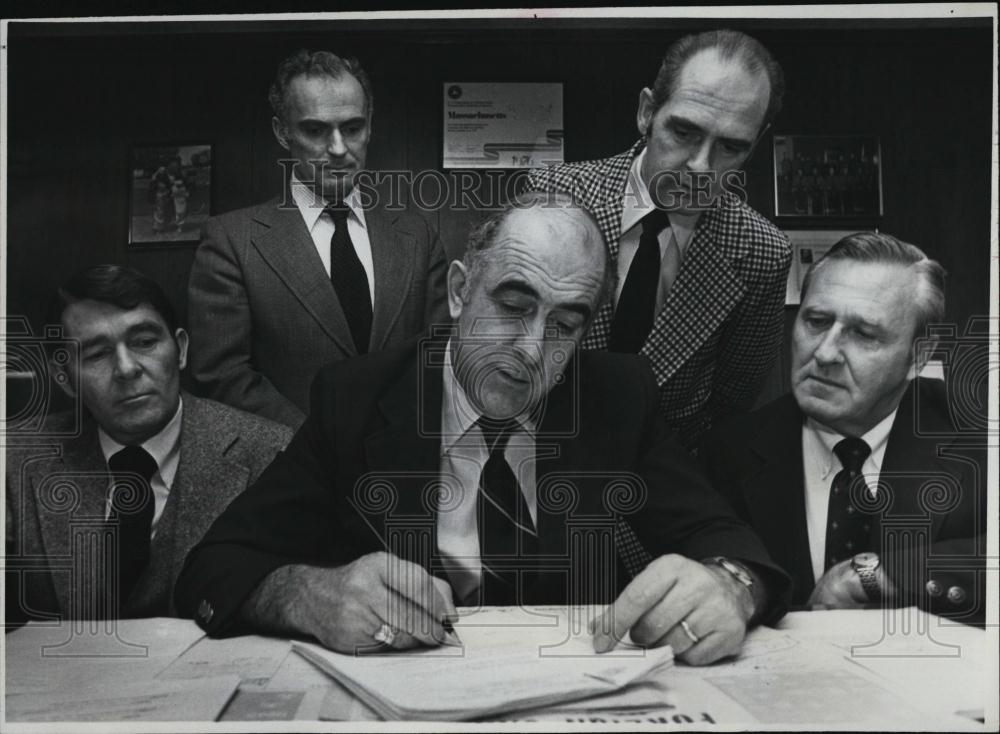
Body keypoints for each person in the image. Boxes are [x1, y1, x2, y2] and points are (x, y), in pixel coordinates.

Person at [176, 194, 790, 666]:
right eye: (514, 306)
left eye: (565, 324)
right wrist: (304, 594)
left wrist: (730, 585)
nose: (530, 350)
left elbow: (727, 538)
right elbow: (216, 567)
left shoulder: (614, 395)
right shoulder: (356, 398)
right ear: (461, 291)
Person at [522, 29, 791, 451]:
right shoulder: (552, 196)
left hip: (664, 475)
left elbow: (731, 402)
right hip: (537, 452)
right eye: (684, 132)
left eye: (731, 147)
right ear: (648, 112)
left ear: (754, 144)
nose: (701, 167)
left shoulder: (762, 253)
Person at [702, 233, 985, 625]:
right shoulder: (730, 451)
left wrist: (881, 576)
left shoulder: (978, 434)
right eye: (816, 322)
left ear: (918, 356)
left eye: (863, 334)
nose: (825, 353)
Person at [4, 265, 292, 622]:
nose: (126, 369)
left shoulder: (268, 453)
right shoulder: (16, 457)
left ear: (181, 350)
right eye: (96, 354)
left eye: (144, 342)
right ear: (65, 378)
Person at [187, 49, 448, 429]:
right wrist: (313, 448)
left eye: (353, 128)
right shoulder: (232, 241)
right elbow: (221, 375)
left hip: (400, 464)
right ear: (282, 132)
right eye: (315, 130)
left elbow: (439, 355)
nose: (339, 149)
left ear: (370, 125)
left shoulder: (416, 237)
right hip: (293, 467)